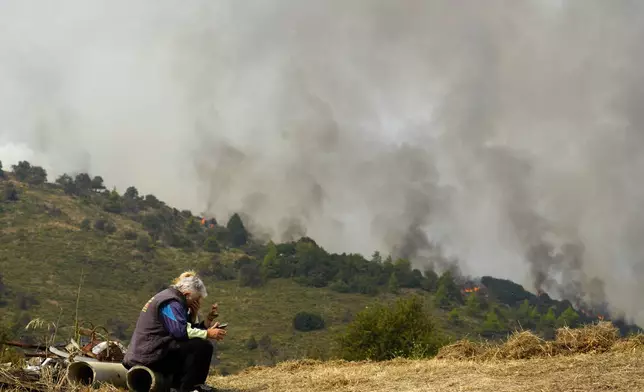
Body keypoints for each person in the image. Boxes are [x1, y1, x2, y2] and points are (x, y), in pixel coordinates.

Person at [123, 271, 226, 392]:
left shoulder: (170, 298)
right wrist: (207, 333)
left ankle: (181, 386)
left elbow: (183, 329)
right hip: (148, 356)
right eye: (196, 299)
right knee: (202, 346)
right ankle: (190, 387)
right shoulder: (171, 303)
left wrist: (203, 321)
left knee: (195, 344)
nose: (197, 303)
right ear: (187, 294)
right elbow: (180, 333)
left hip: (153, 351)